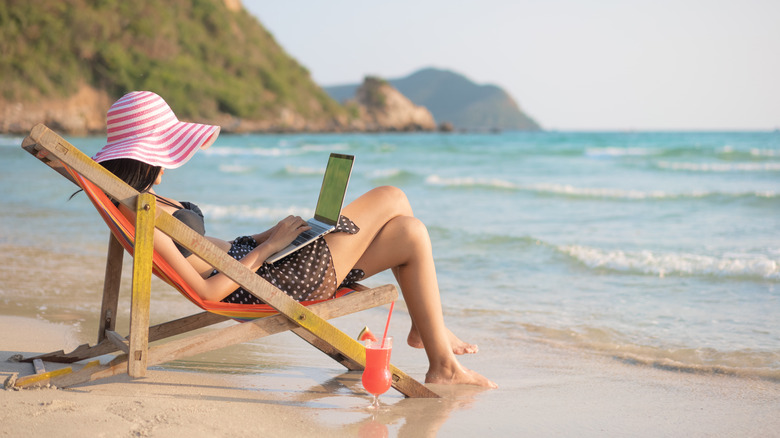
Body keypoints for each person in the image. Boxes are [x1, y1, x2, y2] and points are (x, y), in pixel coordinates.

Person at [92, 91, 496, 388]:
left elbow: (206, 248)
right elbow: (206, 287)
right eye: (161, 154)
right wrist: (269, 249)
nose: (164, 168)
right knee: (394, 197)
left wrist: (269, 235)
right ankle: (437, 352)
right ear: (141, 157)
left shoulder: (140, 200)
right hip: (265, 285)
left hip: (259, 263)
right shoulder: (141, 213)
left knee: (410, 234)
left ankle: (434, 347)